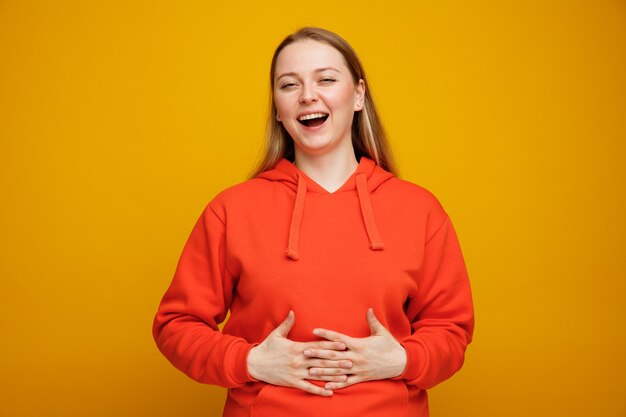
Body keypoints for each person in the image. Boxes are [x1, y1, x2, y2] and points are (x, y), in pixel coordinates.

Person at [153, 27, 474, 417]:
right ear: (277, 106)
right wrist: (250, 361)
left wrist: (405, 360)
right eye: (290, 84)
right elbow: (176, 324)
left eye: (325, 79)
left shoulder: (419, 210)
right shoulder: (231, 210)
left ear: (358, 94)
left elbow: (451, 330)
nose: (308, 95)